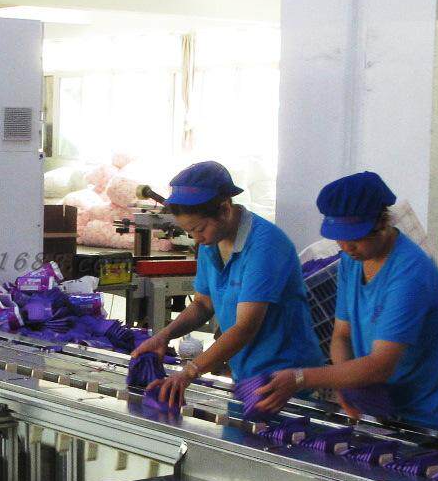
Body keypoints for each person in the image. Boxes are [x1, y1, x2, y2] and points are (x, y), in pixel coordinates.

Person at [251, 171, 438, 432]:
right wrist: (347, 385)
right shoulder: (352, 262)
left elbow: (380, 366)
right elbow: (342, 335)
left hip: (423, 419)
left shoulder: (410, 274)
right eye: (340, 237)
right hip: (378, 412)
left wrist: (300, 377)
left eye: (355, 238)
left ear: (382, 223)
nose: (346, 247)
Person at [128, 160, 322, 408]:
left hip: (285, 379)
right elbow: (202, 304)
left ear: (224, 209)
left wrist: (189, 372)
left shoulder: (265, 246)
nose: (196, 238)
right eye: (190, 232)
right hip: (245, 375)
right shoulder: (211, 242)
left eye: (199, 229)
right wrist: (164, 336)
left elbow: (245, 327)